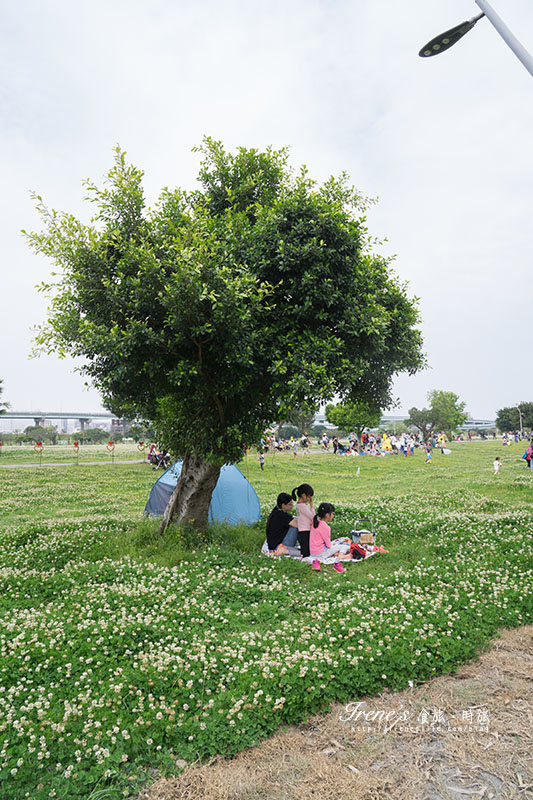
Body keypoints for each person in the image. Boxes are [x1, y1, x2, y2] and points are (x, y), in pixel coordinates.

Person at [309, 502, 351, 572]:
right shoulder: (326, 527)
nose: (333, 515)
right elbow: (328, 545)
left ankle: (317, 562)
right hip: (320, 554)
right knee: (345, 546)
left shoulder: (315, 522)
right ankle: (338, 560)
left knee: (335, 545)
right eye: (332, 514)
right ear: (327, 515)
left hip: (312, 552)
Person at [292, 483, 314, 557]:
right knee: (306, 552)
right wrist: (312, 506)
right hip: (305, 530)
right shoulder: (302, 506)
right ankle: (285, 550)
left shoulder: (299, 505)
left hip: (302, 529)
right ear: (304, 495)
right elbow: (312, 516)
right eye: (309, 497)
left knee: (305, 549)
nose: (309, 499)